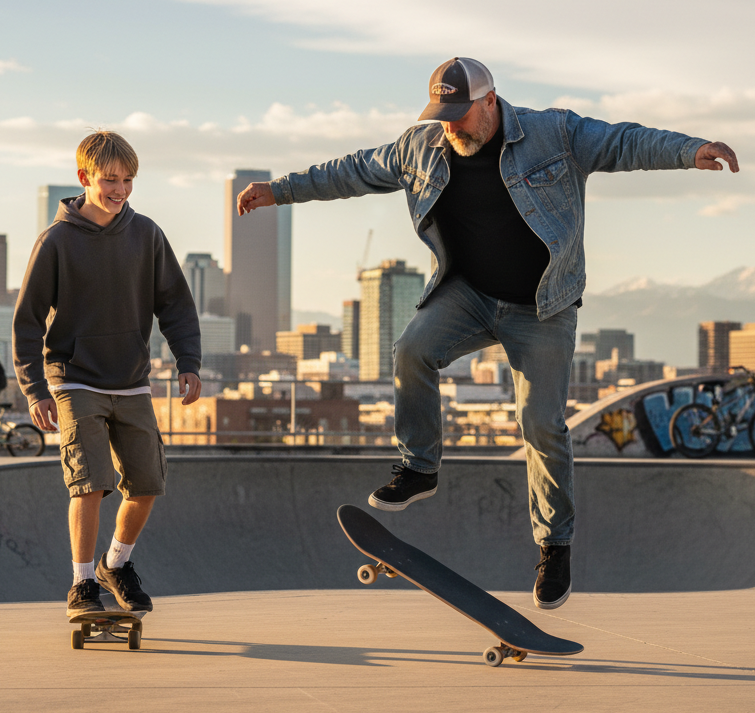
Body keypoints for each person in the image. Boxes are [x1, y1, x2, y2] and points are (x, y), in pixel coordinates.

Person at [236, 57, 739, 609]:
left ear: (491, 101)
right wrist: (278, 190)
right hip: (467, 294)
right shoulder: (421, 147)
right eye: (442, 116)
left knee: (541, 424)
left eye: (461, 115)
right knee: (411, 350)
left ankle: (555, 545)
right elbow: (350, 170)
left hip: (542, 306)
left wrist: (690, 150)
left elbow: (623, 142)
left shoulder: (555, 132)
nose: (451, 127)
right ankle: (420, 467)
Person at [13, 131, 202, 616]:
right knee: (90, 482)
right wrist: (35, 390)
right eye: (110, 179)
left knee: (146, 484)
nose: (120, 189)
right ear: (85, 178)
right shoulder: (56, 241)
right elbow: (28, 321)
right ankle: (81, 584)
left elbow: (175, 304)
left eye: (128, 180)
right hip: (74, 380)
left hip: (131, 380)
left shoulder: (147, 235)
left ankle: (115, 564)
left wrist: (189, 362)